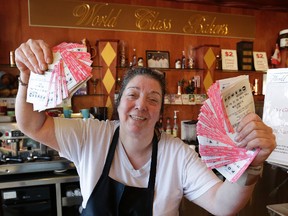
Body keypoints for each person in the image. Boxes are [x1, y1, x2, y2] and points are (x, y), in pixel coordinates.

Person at [15, 39, 276, 216]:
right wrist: (26, 78)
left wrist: (251, 165)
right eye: (132, 95)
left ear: (160, 113)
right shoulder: (91, 136)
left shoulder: (177, 154)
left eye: (153, 100)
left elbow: (222, 204)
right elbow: (32, 123)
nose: (141, 105)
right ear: (118, 104)